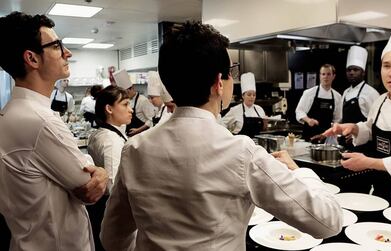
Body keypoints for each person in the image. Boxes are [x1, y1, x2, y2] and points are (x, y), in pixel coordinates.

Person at [100, 21, 342, 251]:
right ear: (218, 82)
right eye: (230, 73)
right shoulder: (241, 152)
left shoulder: (135, 149)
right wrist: (299, 171)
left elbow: (112, 238)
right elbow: (328, 221)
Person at [0, 11, 108, 251]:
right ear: (32, 58)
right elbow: (89, 187)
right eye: (57, 45)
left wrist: (90, 165)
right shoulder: (39, 121)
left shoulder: (12, 112)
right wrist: (101, 171)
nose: (67, 53)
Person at [323, 18, 391, 206]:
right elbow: (370, 128)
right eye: (386, 65)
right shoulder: (381, 101)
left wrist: (368, 162)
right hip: (382, 192)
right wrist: (354, 128)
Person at [87, 85, 132, 251]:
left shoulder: (101, 133)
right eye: (125, 104)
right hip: (108, 208)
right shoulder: (111, 140)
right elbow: (113, 184)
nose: (131, 110)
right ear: (109, 109)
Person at [295, 64, 342, 141]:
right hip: (309, 136)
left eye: (328, 74)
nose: (325, 77)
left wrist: (334, 129)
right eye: (323, 74)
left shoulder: (337, 96)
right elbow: (299, 111)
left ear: (333, 76)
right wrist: (308, 120)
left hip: (327, 138)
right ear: (319, 76)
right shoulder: (309, 93)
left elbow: (338, 118)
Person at [221, 72, 268, 137]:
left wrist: (265, 124)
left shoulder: (259, 110)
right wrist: (228, 136)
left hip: (256, 145)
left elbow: (264, 130)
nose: (252, 97)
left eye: (254, 95)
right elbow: (222, 123)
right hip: (240, 145)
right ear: (243, 96)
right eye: (249, 95)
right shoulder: (235, 110)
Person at [342, 46, 380, 124]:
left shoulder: (371, 93)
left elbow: (376, 120)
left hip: (362, 135)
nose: (351, 73)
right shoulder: (346, 92)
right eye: (349, 70)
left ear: (363, 73)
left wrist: (358, 130)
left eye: (355, 70)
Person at [113, 69, 156, 136]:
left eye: (126, 92)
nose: (125, 95)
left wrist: (138, 130)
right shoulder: (126, 100)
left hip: (142, 134)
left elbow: (150, 120)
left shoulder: (143, 100)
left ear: (132, 88)